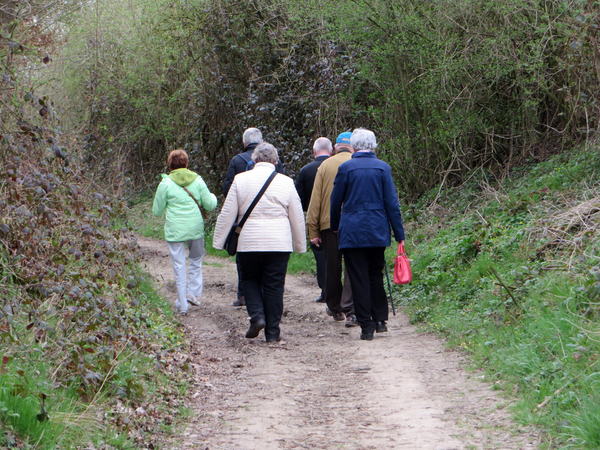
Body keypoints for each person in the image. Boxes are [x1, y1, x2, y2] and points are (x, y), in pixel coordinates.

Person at [213, 142, 306, 342]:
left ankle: (257, 317)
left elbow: (227, 213)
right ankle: (273, 333)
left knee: (250, 280)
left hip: (249, 242)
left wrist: (218, 242)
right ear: (275, 161)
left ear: (254, 160)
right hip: (279, 243)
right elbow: (297, 216)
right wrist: (300, 244)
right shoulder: (286, 182)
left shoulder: (240, 180)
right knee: (275, 286)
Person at [330, 128, 405, 341]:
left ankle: (366, 326)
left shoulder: (346, 168)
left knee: (358, 277)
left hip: (352, 230)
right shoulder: (383, 168)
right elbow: (392, 203)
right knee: (375, 274)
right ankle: (380, 319)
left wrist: (335, 226)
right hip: (376, 228)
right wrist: (399, 233)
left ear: (354, 146)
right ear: (373, 146)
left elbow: (336, 201)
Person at [223, 127, 285, 307]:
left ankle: (243, 293)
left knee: (244, 253)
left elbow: (227, 188)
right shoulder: (275, 161)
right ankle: (267, 292)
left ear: (244, 143)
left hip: (244, 217)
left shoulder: (237, 160)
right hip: (272, 216)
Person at [152, 149, 218, 315]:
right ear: (187, 164)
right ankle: (193, 294)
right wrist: (214, 197)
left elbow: (157, 211)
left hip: (175, 230)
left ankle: (182, 305)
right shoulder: (198, 181)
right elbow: (210, 205)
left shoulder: (165, 184)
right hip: (195, 228)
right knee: (196, 259)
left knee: (179, 265)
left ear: (170, 165)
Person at [306, 133, 356, 327]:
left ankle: (335, 307)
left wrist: (313, 230)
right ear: (353, 147)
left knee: (332, 266)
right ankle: (351, 309)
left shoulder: (325, 165)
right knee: (352, 265)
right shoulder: (358, 162)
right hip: (353, 223)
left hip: (328, 225)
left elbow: (315, 200)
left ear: (336, 148)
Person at [294, 138, 331, 303]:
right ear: (331, 151)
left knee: (321, 256)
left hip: (314, 220)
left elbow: (298, 199)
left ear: (314, 152)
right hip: (337, 219)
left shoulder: (305, 171)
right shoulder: (338, 167)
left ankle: (325, 291)